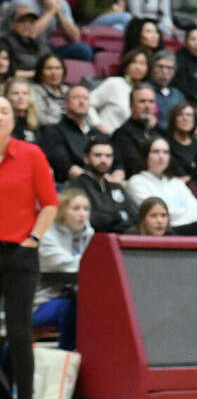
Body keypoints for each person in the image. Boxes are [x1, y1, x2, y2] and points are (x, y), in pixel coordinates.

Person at [0, 94, 58, 399]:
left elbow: (50, 203)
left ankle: (26, 394)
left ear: (13, 119)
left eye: (4, 111)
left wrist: (32, 239)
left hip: (20, 253)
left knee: (20, 332)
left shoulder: (30, 153)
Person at [126, 137, 197, 235]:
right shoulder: (136, 182)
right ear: (146, 155)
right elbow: (155, 213)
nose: (161, 156)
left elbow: (196, 211)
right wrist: (183, 214)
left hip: (188, 230)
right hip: (162, 231)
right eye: (156, 152)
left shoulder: (177, 183)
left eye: (165, 152)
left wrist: (179, 216)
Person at [33, 187, 91, 350]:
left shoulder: (88, 233)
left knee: (97, 304)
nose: (82, 214)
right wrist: (94, 262)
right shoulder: (47, 234)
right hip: (41, 302)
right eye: (76, 209)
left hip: (73, 296)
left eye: (86, 209)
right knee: (73, 306)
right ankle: (66, 354)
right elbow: (65, 264)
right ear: (62, 211)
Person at [11, 0, 89, 60]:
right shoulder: (23, 0)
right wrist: (50, 11)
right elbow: (30, 35)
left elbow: (75, 38)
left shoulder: (60, 1)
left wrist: (59, 12)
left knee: (83, 50)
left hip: (43, 48)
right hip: (17, 48)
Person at [64, 136, 132, 234]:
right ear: (86, 158)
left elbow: (133, 216)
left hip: (121, 240)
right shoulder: (75, 186)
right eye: (98, 155)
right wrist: (118, 216)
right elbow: (91, 219)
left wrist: (111, 218)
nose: (103, 160)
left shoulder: (116, 187)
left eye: (108, 156)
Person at [38, 85, 98, 184]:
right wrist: (96, 181)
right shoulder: (53, 131)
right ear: (66, 103)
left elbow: (116, 162)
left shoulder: (97, 133)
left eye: (85, 98)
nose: (82, 102)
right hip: (71, 186)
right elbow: (65, 166)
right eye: (76, 98)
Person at [90, 48, 151, 135]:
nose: (138, 67)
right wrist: (98, 126)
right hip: (106, 139)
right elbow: (88, 103)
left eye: (142, 63)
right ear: (126, 66)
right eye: (134, 62)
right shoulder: (114, 83)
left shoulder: (147, 92)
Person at [112, 84, 160, 177]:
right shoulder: (122, 134)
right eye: (142, 101)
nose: (147, 106)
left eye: (151, 102)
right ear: (131, 106)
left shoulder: (158, 132)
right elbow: (134, 166)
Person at [167, 101, 197, 179]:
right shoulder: (166, 146)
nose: (185, 118)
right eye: (180, 115)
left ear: (194, 120)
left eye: (189, 115)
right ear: (174, 119)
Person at [32, 53, 68, 127]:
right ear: (40, 73)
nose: (54, 73)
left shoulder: (68, 90)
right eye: (49, 68)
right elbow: (42, 119)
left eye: (58, 68)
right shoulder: (34, 91)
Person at [149, 50, 183, 124]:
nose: (164, 71)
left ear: (174, 71)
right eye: (160, 67)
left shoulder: (178, 95)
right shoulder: (144, 91)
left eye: (169, 68)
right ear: (152, 68)